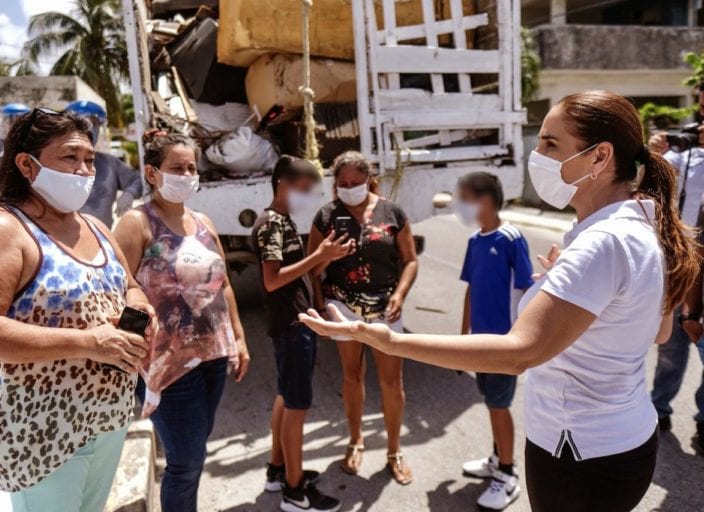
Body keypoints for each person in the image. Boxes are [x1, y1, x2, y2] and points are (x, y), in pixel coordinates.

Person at [299, 91, 699, 512]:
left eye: (550, 144)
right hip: (623, 442)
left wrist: (386, 340)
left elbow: (518, 353)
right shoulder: (640, 221)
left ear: (600, 157)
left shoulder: (601, 243)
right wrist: (576, 289)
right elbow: (658, 330)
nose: (537, 156)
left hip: (578, 454)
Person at [0, 107, 156, 512]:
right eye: (69, 157)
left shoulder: (95, 227)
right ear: (27, 165)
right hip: (43, 430)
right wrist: (88, 343)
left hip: (108, 419)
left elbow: (130, 286)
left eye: (89, 159)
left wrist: (141, 309)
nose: (84, 170)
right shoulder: (1, 230)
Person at [113, 131, 250, 512]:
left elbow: (224, 286)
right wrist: (126, 357)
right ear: (152, 173)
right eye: (177, 167)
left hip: (212, 356)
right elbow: (117, 291)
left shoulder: (203, 222)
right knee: (186, 463)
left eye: (192, 167)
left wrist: (239, 339)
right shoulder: (137, 223)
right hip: (166, 365)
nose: (187, 174)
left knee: (194, 451)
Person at [306, 151, 419, 485]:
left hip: (386, 308)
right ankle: (355, 441)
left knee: (392, 381)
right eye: (343, 183)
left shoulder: (392, 212)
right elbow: (311, 269)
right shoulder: (326, 216)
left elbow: (410, 260)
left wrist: (400, 294)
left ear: (369, 179)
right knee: (352, 376)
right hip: (342, 307)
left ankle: (394, 451)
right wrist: (328, 257)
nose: (349, 188)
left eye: (356, 182)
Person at [252, 155, 351, 512]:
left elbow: (298, 270)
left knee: (286, 396)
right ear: (284, 184)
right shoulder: (271, 224)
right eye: (305, 189)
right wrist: (317, 256)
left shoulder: (283, 220)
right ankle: (295, 492)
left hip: (296, 322)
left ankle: (278, 470)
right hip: (292, 326)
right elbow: (272, 279)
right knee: (297, 406)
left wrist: (327, 257)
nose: (309, 196)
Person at [454, 172, 534, 510]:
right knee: (491, 402)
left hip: (504, 343)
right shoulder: (475, 240)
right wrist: (463, 337)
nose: (460, 206)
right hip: (480, 342)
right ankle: (497, 457)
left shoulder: (511, 239)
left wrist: (524, 341)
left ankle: (507, 473)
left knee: (499, 406)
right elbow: (471, 289)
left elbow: (529, 290)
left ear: (485, 201)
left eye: (465, 199)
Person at [648, 125, 704, 445]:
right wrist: (654, 152)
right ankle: (659, 409)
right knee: (670, 346)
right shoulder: (683, 155)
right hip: (679, 262)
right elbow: (646, 188)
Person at [64, 100, 143, 228]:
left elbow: (136, 179)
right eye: (81, 123)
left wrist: (130, 193)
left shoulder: (109, 163)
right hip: (60, 237)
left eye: (94, 124)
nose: (89, 129)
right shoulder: (55, 163)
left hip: (102, 236)